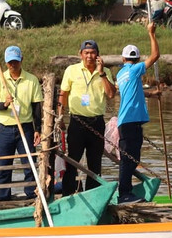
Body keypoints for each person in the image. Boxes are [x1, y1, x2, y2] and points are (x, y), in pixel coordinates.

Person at [59, 39, 118, 196]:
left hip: (97, 122)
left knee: (95, 163)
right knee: (73, 160)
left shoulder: (105, 72)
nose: (89, 56)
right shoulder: (71, 70)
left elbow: (111, 94)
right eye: (86, 53)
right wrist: (60, 117)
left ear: (98, 55)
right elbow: (63, 94)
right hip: (77, 121)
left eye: (93, 53)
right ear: (80, 54)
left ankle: (92, 195)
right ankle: (68, 194)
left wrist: (102, 73)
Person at [0, 44, 43, 200]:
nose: (13, 65)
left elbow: (37, 106)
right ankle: (4, 197)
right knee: (4, 166)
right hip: (5, 128)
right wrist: (4, 104)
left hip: (25, 128)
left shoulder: (31, 80)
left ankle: (31, 194)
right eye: (10, 62)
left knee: (29, 163)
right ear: (5, 62)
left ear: (21, 60)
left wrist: (38, 129)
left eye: (16, 61)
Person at [114, 22, 160, 203]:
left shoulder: (121, 74)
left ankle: (126, 191)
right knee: (129, 159)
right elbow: (156, 55)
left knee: (131, 158)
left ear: (123, 59)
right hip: (130, 121)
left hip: (127, 121)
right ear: (137, 59)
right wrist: (151, 33)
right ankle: (124, 193)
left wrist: (152, 94)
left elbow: (134, 91)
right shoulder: (135, 70)